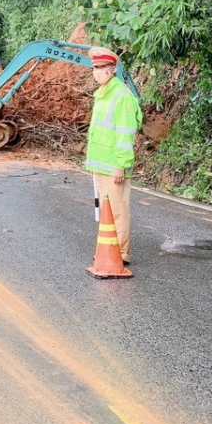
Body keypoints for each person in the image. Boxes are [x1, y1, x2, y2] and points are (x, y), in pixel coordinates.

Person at [83, 46, 143, 264]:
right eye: (94, 68)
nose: (97, 71)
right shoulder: (103, 94)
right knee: (105, 211)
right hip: (100, 164)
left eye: (101, 67)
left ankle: (121, 253)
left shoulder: (122, 97)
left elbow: (125, 134)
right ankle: (109, 250)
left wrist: (121, 164)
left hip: (113, 166)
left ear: (113, 69)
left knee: (117, 211)